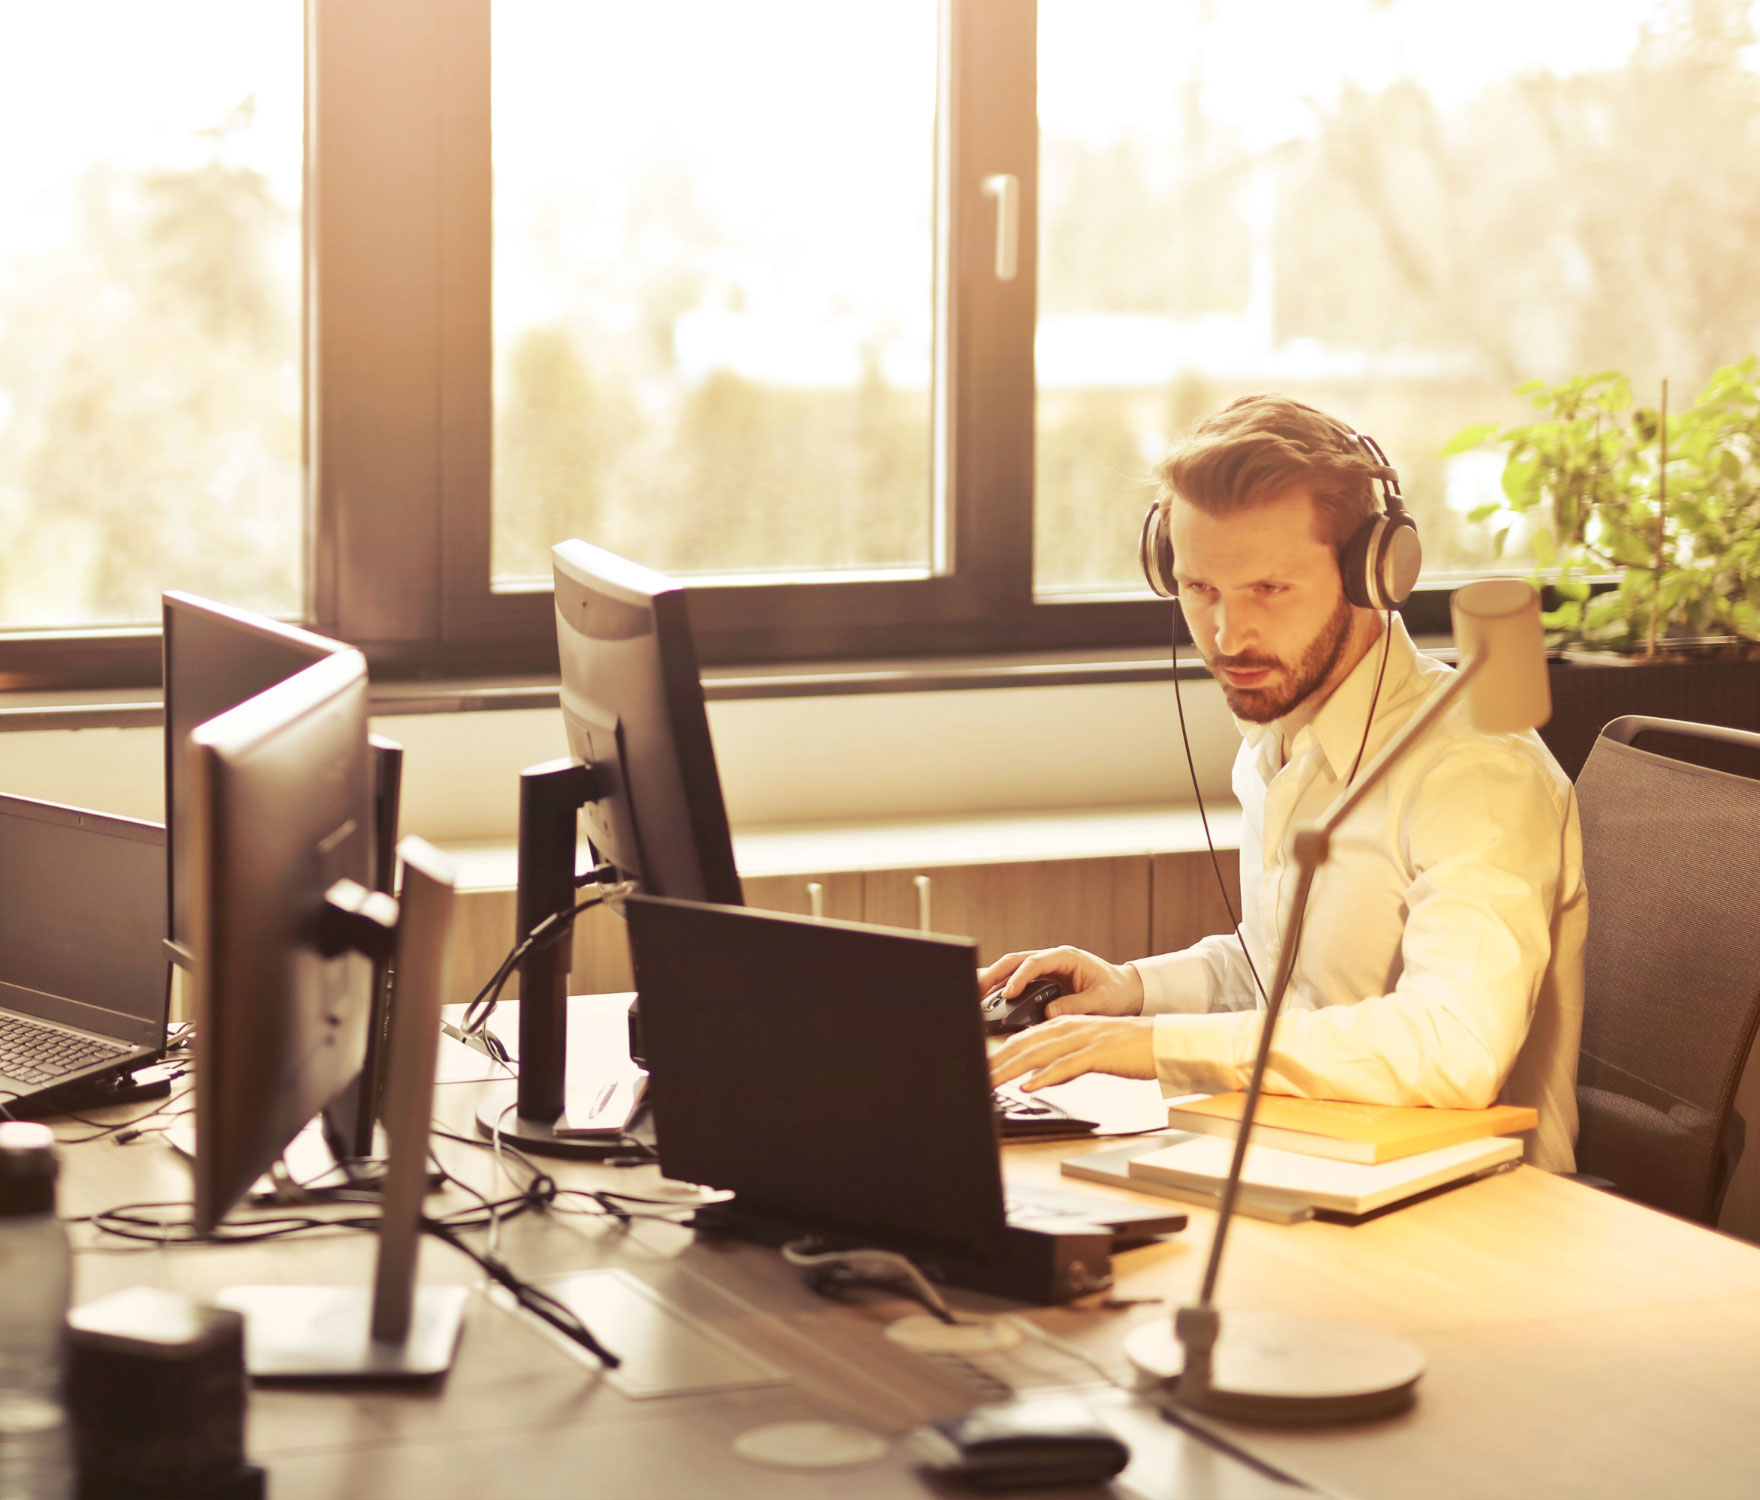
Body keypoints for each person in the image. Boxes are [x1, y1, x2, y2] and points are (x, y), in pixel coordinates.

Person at [986, 395, 1586, 1172]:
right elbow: (1287, 977)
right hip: (1309, 1159)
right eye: (1200, 589)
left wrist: (1156, 1044)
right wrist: (1131, 991)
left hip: (1475, 1204)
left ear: (1373, 574)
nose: (1227, 636)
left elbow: (1454, 1047)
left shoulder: (1476, 770)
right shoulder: (1280, 739)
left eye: (1269, 589)